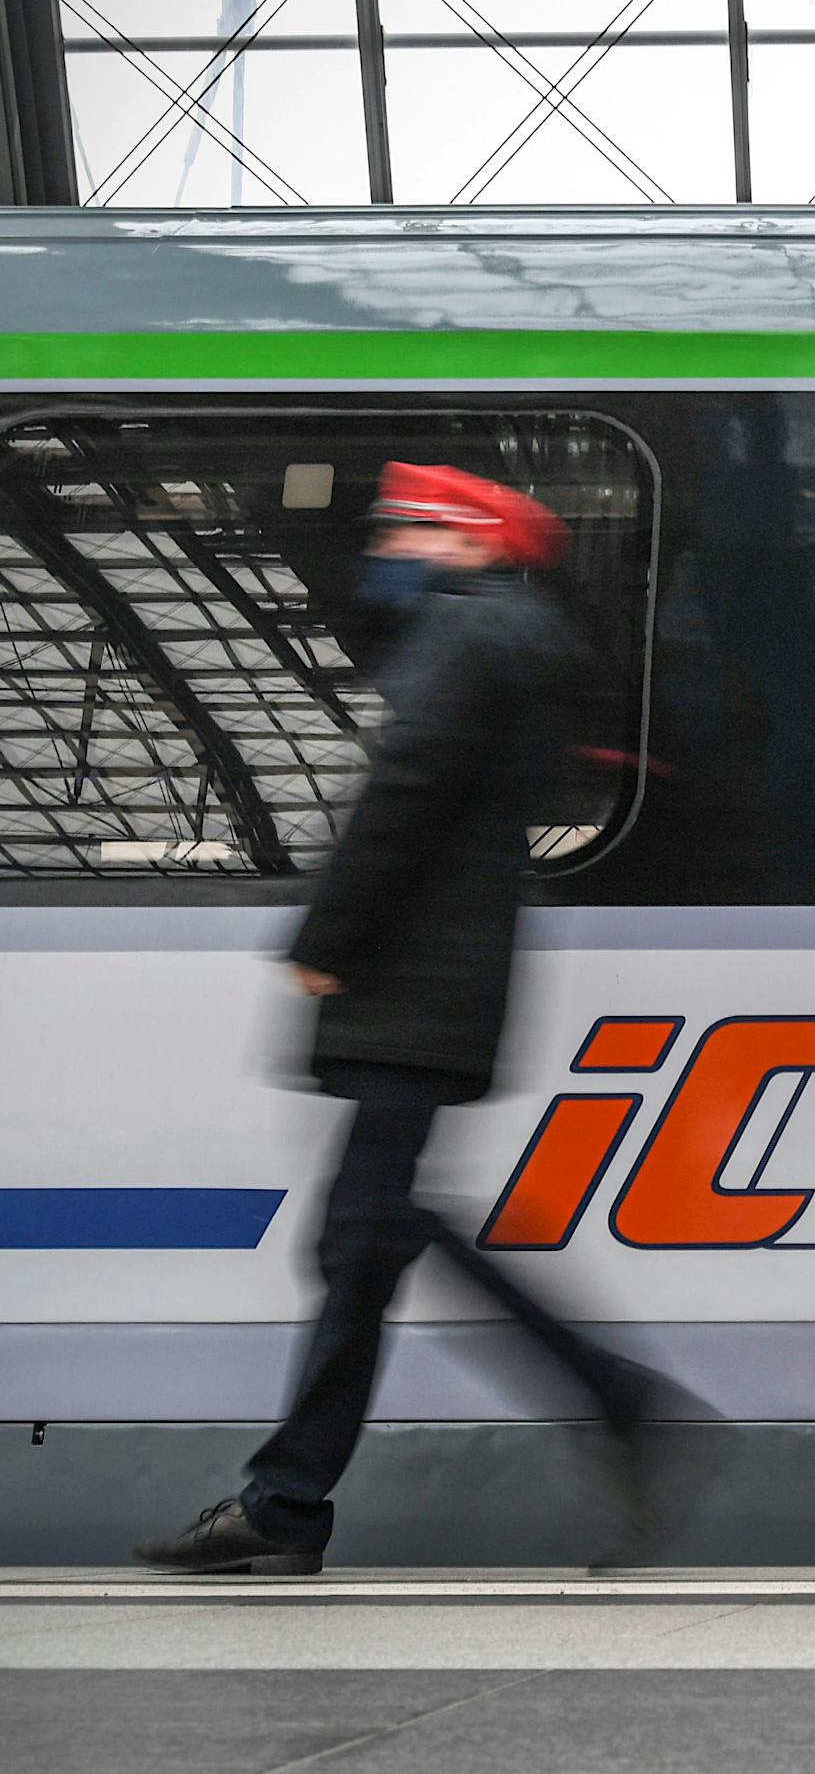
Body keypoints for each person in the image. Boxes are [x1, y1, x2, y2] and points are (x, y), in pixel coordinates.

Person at [136, 463, 648, 1576]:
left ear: (470, 540)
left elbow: (404, 790)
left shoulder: (468, 634)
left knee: (364, 1238)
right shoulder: (513, 634)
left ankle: (289, 1501)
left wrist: (329, 938)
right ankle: (302, 1494)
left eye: (411, 528)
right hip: (441, 985)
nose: (388, 546)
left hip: (411, 983)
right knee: (370, 1236)